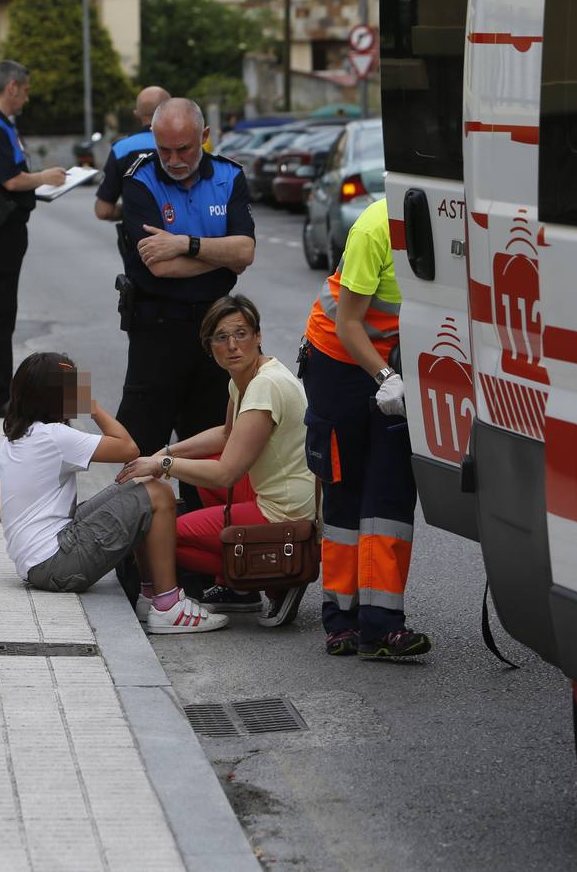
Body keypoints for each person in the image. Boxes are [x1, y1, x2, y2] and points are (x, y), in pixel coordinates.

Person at [0, 353, 227, 634]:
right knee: (159, 493)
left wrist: (22, 529)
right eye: (73, 388)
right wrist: (92, 406)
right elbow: (129, 447)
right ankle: (169, 606)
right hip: (56, 563)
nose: (78, 394)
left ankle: (150, 596)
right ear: (54, 396)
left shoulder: (17, 437)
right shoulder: (56, 436)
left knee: (142, 485)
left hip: (36, 563)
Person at [117, 295, 315, 626]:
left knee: (159, 533)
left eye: (241, 333)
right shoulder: (248, 376)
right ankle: (238, 589)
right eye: (221, 337)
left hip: (286, 513)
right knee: (206, 457)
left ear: (258, 336)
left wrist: (162, 466)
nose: (233, 345)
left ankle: (276, 578)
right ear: (209, 346)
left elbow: (226, 473)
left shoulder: (265, 386)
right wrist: (166, 452)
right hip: (285, 493)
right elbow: (225, 437)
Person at [301, 197, 431, 659]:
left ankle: (382, 624)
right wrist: (385, 378)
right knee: (346, 487)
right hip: (337, 362)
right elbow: (349, 322)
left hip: (392, 364)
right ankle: (341, 619)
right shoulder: (375, 229)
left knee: (391, 494)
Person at [117, 97, 256, 501]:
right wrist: (220, 257)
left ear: (205, 137)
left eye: (185, 148)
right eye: (165, 149)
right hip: (157, 330)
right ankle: (137, 559)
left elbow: (245, 252)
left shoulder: (229, 176)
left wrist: (184, 243)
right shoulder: (140, 179)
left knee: (211, 443)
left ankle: (200, 548)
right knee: (141, 445)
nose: (174, 159)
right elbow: (159, 267)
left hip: (215, 328)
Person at [0, 60, 67, 418]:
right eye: (25, 89)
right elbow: (10, 179)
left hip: (2, 228)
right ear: (11, 87)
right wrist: (45, 177)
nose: (26, 96)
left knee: (1, 312)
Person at [93, 86, 170, 221]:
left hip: (141, 240)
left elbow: (103, 211)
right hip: (185, 239)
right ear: (171, 110)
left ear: (136, 114)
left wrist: (132, 210)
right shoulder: (187, 144)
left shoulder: (122, 149)